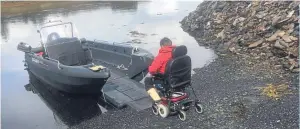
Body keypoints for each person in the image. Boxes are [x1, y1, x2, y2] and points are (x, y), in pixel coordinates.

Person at [144, 37, 175, 102]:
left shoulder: (161, 56)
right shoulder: (177, 53)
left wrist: (149, 66)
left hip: (165, 77)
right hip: (176, 76)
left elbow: (152, 70)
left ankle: (157, 100)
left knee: (147, 81)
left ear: (162, 46)